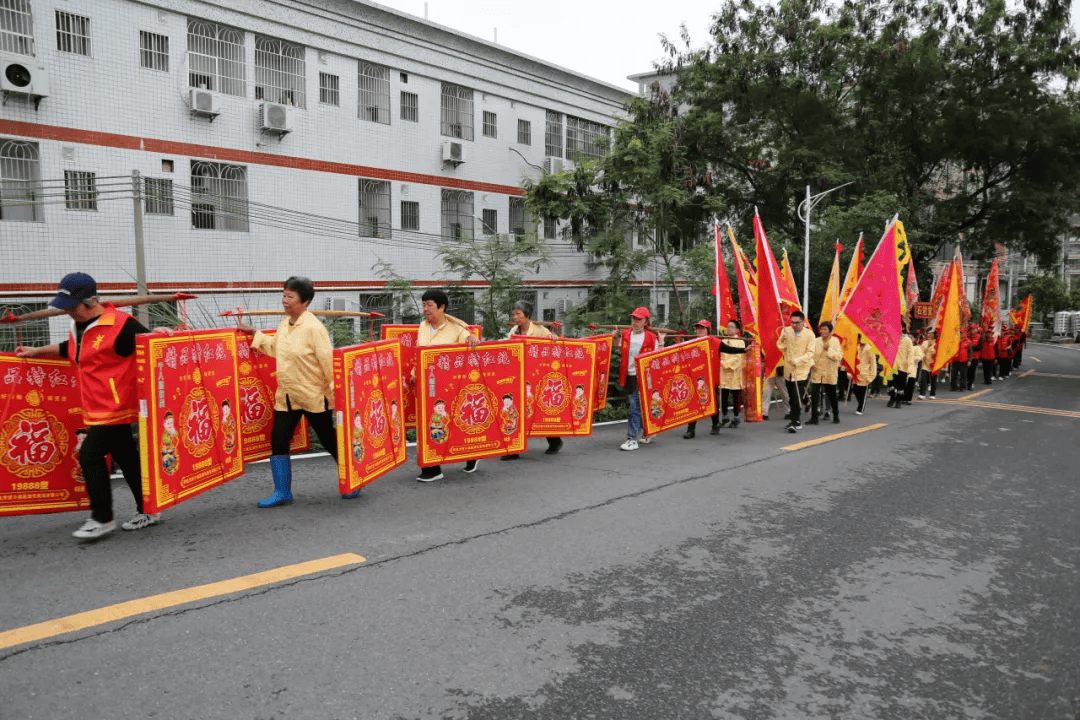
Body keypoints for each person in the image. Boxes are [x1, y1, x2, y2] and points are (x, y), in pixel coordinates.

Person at [16, 273, 163, 539]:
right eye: (65, 308)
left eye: (73, 307)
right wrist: (36, 352)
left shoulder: (122, 324)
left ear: (92, 301)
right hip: (96, 404)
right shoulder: (79, 326)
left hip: (115, 405)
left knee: (90, 455)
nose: (69, 313)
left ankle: (102, 519)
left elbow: (151, 344)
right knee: (127, 457)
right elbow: (70, 349)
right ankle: (149, 510)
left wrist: (163, 334)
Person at [238, 276, 347, 507]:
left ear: (304, 302)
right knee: (278, 439)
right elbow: (275, 348)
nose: (285, 300)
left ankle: (352, 479)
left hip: (314, 395)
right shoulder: (284, 324)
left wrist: (337, 395)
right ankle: (282, 491)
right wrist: (254, 333)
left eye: (290, 296)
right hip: (287, 396)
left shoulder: (314, 328)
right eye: (284, 295)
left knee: (329, 440)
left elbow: (328, 364)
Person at [413, 288, 481, 481]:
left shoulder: (457, 328)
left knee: (456, 423)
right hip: (428, 385)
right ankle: (433, 469)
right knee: (432, 424)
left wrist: (471, 339)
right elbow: (419, 352)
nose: (426, 309)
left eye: (430, 305)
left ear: (442, 307)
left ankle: (471, 454)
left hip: (451, 386)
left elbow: (467, 340)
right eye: (424, 304)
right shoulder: (423, 326)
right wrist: (413, 373)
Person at [504, 300, 564, 459]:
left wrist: (554, 338)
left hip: (537, 378)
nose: (515, 317)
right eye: (514, 314)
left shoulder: (540, 331)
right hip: (519, 377)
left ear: (527, 316)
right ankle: (514, 449)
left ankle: (555, 440)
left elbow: (553, 345)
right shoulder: (513, 331)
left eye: (518, 314)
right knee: (516, 412)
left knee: (539, 411)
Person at [616, 307, 658, 450]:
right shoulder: (626, 334)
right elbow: (621, 349)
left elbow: (658, 358)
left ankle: (632, 438)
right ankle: (648, 431)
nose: (635, 322)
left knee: (635, 407)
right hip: (629, 375)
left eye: (638, 319)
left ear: (646, 321)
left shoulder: (652, 338)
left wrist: (663, 341)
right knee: (637, 407)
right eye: (633, 318)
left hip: (644, 378)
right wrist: (615, 337)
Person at [776, 310, 815, 433]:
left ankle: (795, 421)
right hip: (788, 370)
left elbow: (810, 353)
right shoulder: (786, 331)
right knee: (791, 398)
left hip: (801, 370)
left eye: (797, 323)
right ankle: (794, 419)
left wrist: (798, 361)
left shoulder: (809, 334)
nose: (793, 325)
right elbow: (780, 347)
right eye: (792, 322)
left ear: (803, 322)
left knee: (796, 396)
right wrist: (783, 339)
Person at [683, 320, 720, 439]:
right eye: (698, 328)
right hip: (696, 378)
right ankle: (691, 430)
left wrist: (745, 350)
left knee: (712, 402)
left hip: (710, 378)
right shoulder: (691, 343)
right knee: (694, 403)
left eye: (702, 328)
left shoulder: (715, 342)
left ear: (708, 331)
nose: (699, 330)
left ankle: (715, 424)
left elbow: (729, 349)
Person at [808, 321, 842, 424]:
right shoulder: (816, 341)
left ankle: (835, 414)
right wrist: (811, 364)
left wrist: (829, 350)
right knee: (814, 395)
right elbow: (810, 354)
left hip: (829, 373)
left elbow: (839, 356)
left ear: (830, 331)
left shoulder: (835, 341)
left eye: (825, 329)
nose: (823, 331)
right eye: (821, 329)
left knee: (832, 395)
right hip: (817, 371)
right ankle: (814, 418)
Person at [718, 320, 749, 428]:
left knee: (736, 395)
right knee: (724, 395)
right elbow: (720, 354)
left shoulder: (740, 341)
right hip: (723, 372)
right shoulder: (723, 340)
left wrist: (724, 364)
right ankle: (724, 416)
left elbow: (738, 358)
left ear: (737, 330)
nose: (729, 329)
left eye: (731, 327)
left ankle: (736, 417)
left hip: (735, 372)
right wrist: (721, 363)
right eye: (728, 327)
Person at [887, 327, 914, 408]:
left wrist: (909, 368)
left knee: (900, 386)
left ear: (902, 329)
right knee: (890, 384)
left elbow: (910, 354)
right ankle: (892, 398)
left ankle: (898, 400)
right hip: (891, 366)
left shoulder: (907, 340)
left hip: (903, 367)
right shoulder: (891, 337)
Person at [851, 335, 877, 415]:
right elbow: (851, 360)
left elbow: (873, 364)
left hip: (865, 375)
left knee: (863, 393)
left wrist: (871, 377)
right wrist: (849, 372)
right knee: (855, 390)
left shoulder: (870, 349)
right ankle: (860, 403)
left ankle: (860, 408)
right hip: (856, 374)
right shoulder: (855, 348)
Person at [918, 329, 939, 399]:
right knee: (924, 379)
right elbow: (921, 351)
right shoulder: (925, 342)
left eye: (931, 333)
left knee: (933, 380)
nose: (930, 335)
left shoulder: (937, 342)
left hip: (934, 364)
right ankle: (922, 394)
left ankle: (932, 394)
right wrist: (922, 357)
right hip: (925, 364)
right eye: (929, 333)